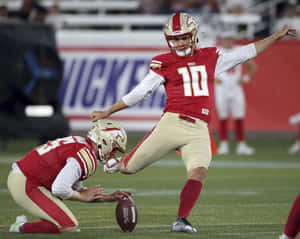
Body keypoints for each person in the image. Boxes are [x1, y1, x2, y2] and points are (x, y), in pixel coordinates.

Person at [91, 12, 296, 233]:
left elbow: (246, 53)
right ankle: (117, 162)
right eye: (175, 39)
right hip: (172, 123)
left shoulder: (210, 56)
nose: (179, 43)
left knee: (198, 172)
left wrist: (276, 36)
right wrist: (109, 111)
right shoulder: (164, 62)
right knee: (129, 169)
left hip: (199, 129)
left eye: (184, 38)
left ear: (194, 36)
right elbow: (141, 92)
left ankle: (181, 219)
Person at [7, 119, 130, 234]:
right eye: (114, 149)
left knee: (66, 223)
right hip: (26, 182)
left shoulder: (80, 143)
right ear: (105, 141)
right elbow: (59, 188)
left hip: (26, 178)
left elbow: (77, 189)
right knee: (68, 226)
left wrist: (109, 197)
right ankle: (20, 226)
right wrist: (82, 197)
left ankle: (50, 222)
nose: (113, 154)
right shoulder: (86, 156)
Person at [215, 31, 258, 155]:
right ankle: (223, 144)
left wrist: (245, 78)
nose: (228, 42)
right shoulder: (216, 51)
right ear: (222, 40)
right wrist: (213, 77)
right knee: (223, 117)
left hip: (235, 88)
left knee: (239, 116)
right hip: (222, 88)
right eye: (226, 39)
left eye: (230, 39)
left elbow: (253, 66)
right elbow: (206, 67)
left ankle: (241, 144)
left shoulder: (239, 50)